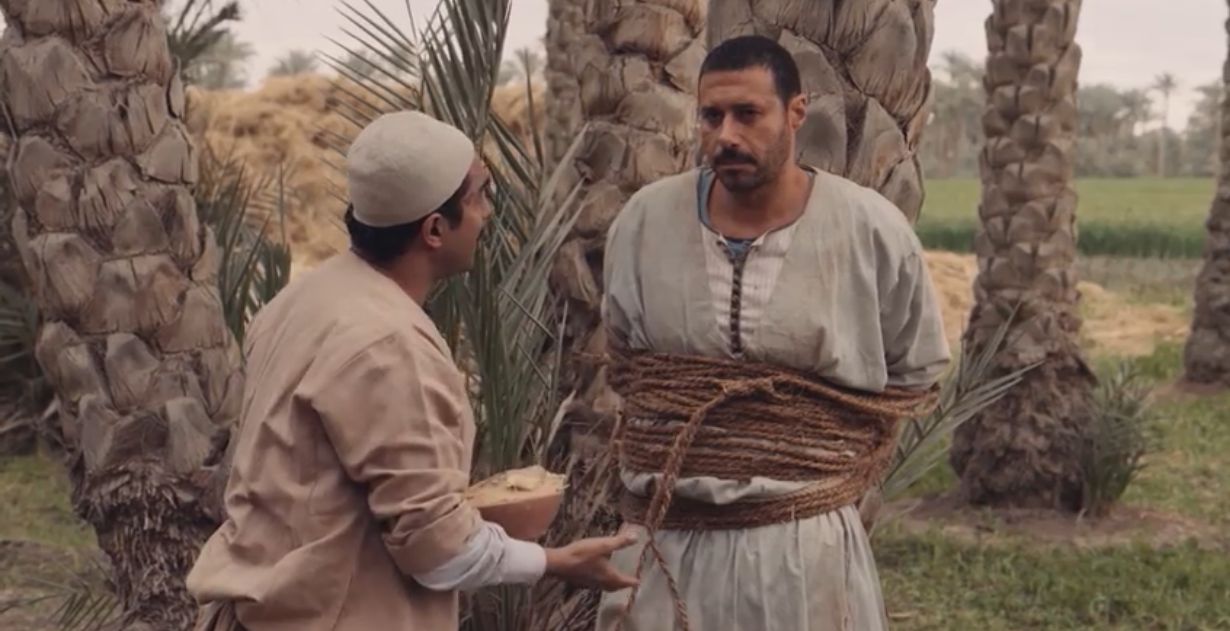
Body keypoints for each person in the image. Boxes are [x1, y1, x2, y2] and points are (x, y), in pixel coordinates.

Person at [186, 110, 638, 631]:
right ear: (434, 229)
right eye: (481, 195)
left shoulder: (301, 300)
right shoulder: (390, 344)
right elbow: (437, 552)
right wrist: (553, 562)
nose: (489, 212)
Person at [594, 35, 951, 631]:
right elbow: (628, 358)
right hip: (663, 544)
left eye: (748, 114)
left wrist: (813, 450)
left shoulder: (869, 229)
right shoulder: (643, 221)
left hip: (804, 551)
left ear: (795, 112)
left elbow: (915, 369)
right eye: (712, 116)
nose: (726, 135)